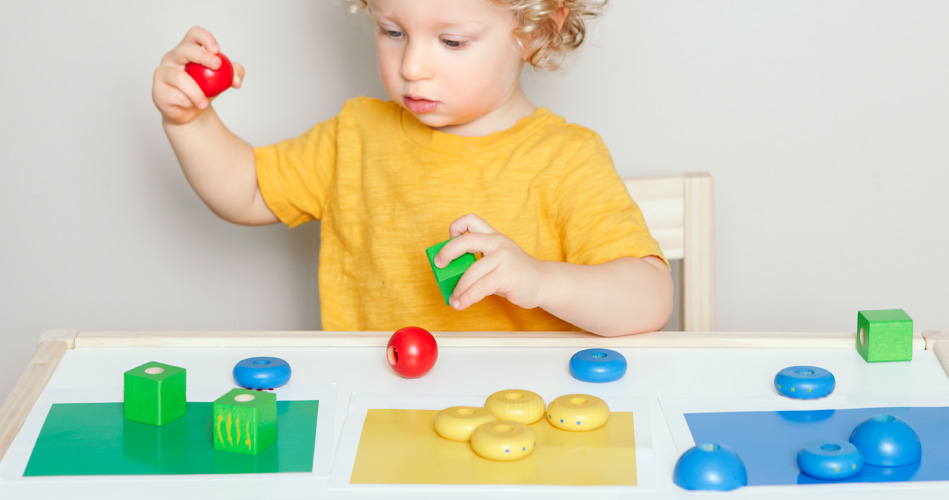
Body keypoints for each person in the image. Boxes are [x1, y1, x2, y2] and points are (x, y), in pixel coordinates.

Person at [151, 0, 673, 337]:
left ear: (537, 30)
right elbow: (245, 191)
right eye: (392, 31)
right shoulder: (355, 136)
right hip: (373, 419)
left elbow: (649, 299)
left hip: (519, 433)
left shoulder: (565, 158)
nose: (411, 67)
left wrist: (540, 281)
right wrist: (191, 121)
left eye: (451, 41)